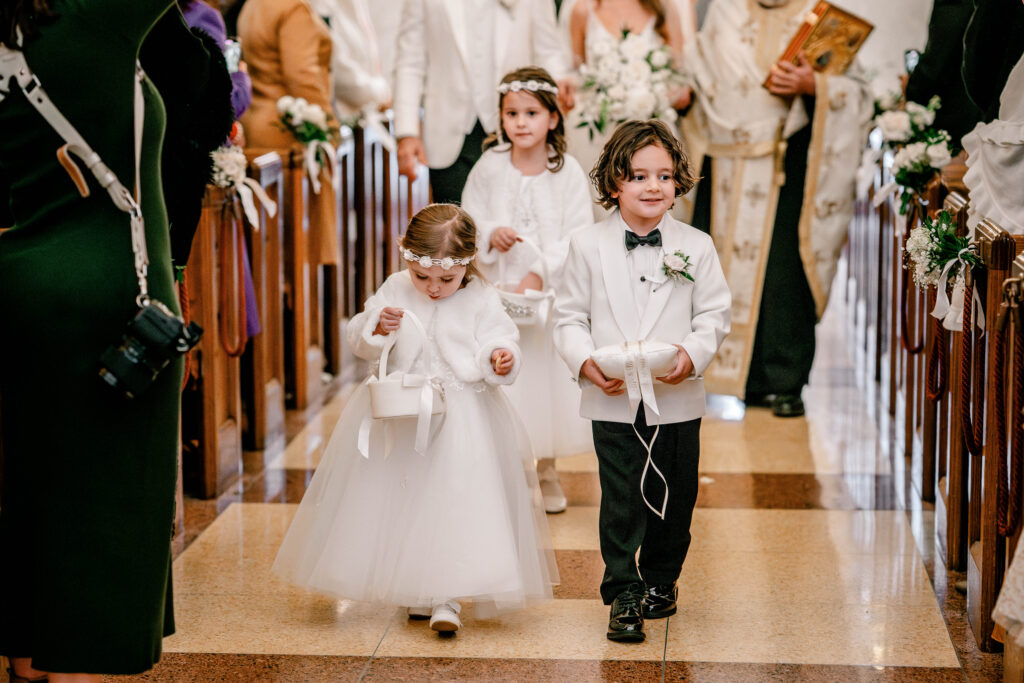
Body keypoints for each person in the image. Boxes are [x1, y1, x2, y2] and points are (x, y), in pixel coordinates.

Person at [0, 1, 186, 680]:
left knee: (33, 487)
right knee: (112, 498)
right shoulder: (94, 17)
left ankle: (26, 655)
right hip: (109, 298)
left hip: (23, 283)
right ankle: (82, 668)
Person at [272, 204, 558, 635]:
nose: (434, 288)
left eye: (447, 279)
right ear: (406, 257)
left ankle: (447, 596)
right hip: (404, 413)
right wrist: (378, 326)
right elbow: (360, 338)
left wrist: (500, 357)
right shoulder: (396, 287)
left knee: (454, 499)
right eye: (423, 277)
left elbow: (501, 336)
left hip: (464, 416)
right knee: (405, 499)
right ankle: (417, 588)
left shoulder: (481, 295)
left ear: (466, 266)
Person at [553, 120, 730, 643]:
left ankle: (661, 577)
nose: (653, 187)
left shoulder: (696, 246)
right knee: (621, 495)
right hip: (611, 396)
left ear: (677, 183)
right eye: (637, 176)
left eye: (664, 176)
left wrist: (691, 353)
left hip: (677, 396)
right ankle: (623, 591)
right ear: (613, 184)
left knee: (676, 496)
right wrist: (584, 361)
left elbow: (714, 314)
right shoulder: (585, 245)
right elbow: (567, 317)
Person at [680, 0, 870, 417]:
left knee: (783, 275)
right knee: (715, 270)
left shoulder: (815, 13)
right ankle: (726, 375)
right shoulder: (725, 10)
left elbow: (857, 93)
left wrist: (813, 85)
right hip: (723, 164)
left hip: (788, 165)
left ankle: (784, 379)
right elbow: (696, 77)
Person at [461, 66, 595, 514]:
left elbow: (578, 233)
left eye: (531, 112)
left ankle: (547, 469)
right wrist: (489, 234)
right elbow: (469, 216)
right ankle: (509, 470)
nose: (521, 122)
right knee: (505, 378)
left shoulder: (568, 172)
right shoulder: (490, 166)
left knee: (544, 384)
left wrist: (539, 272)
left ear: (552, 119)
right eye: (511, 113)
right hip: (498, 292)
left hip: (547, 300)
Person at [393, 0, 572, 204]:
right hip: (447, 135)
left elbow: (548, 51)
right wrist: (407, 133)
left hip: (517, 131)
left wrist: (558, 83)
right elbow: (409, 61)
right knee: (455, 228)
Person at [564, 0, 691, 219]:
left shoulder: (665, 9)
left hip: (653, 129)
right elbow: (579, 72)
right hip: (597, 135)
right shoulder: (583, 11)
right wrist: (610, 91)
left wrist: (651, 94)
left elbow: (679, 77)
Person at [237, 0, 339, 266]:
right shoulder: (293, 8)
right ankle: (300, 301)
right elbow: (302, 77)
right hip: (287, 132)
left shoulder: (254, 4)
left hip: (257, 125)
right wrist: (328, 127)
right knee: (296, 246)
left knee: (271, 242)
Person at [310, 0, 391, 116]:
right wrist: (381, 93)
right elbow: (337, 70)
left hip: (366, 110)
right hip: (342, 113)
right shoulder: (322, 5)